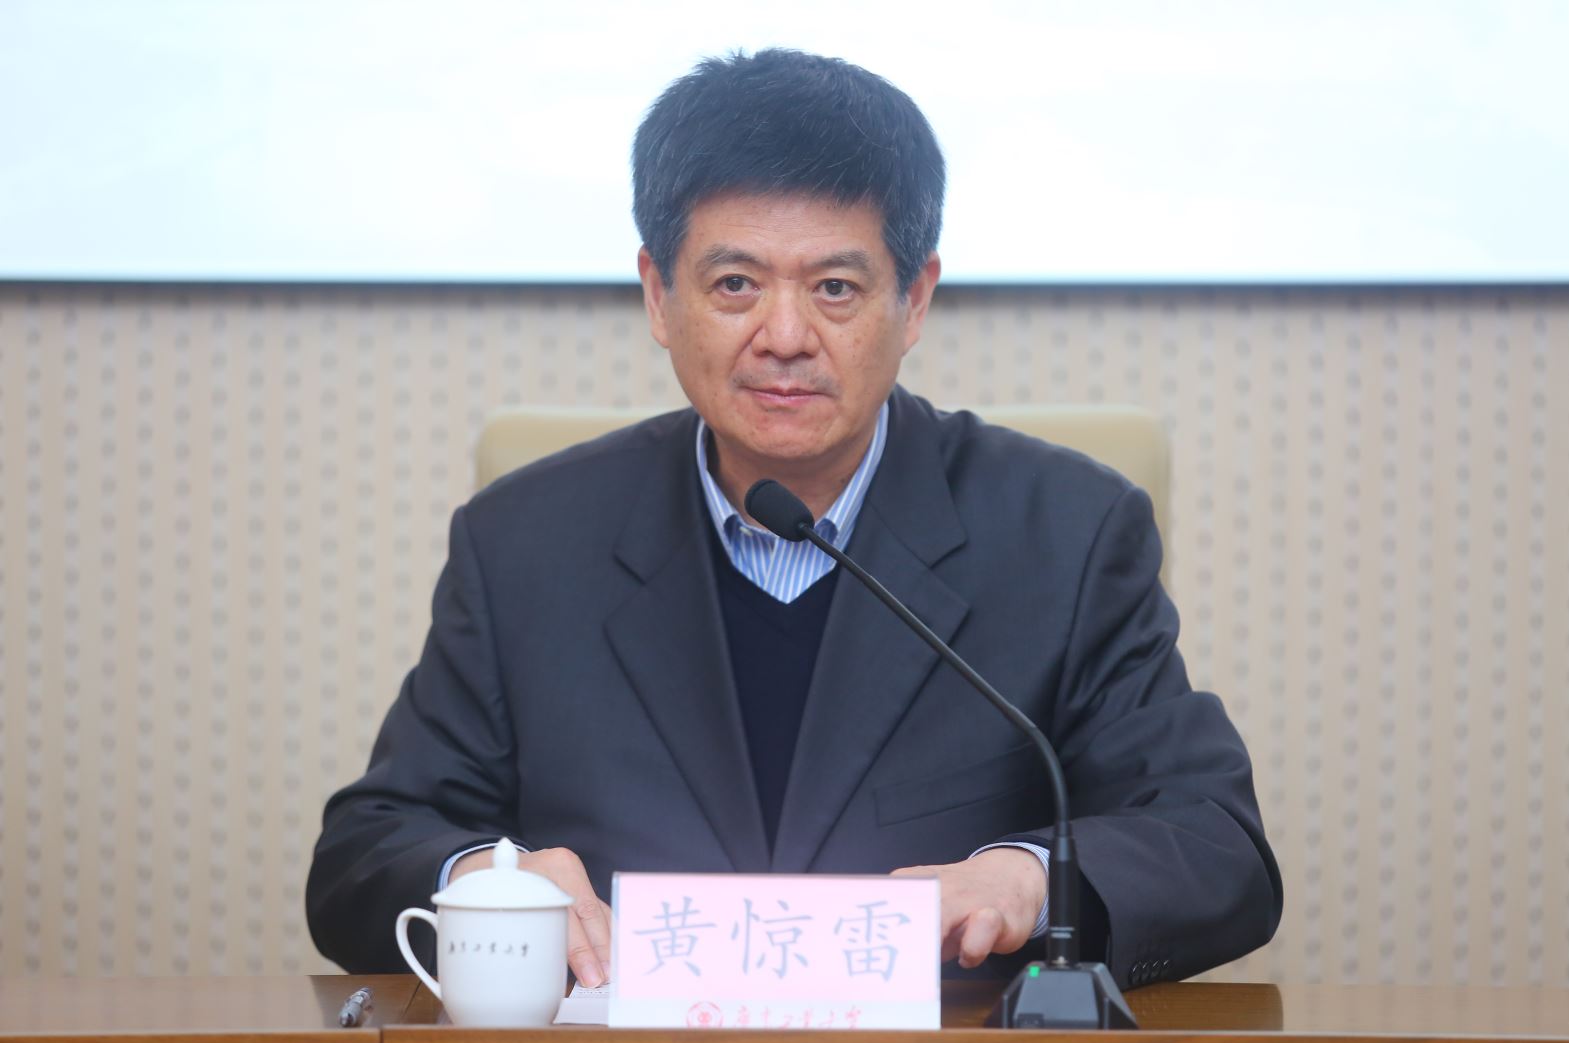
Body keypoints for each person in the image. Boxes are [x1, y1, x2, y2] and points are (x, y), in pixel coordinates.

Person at [306, 48, 1281, 989]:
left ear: (914, 301)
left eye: (834, 288)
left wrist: (1028, 876)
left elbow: (1214, 841)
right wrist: (489, 876)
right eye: (735, 284)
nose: (783, 337)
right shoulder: (524, 541)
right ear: (658, 295)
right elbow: (367, 851)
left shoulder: (1065, 534)